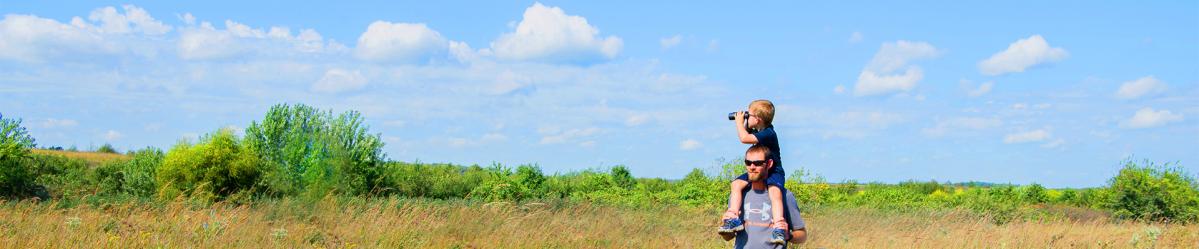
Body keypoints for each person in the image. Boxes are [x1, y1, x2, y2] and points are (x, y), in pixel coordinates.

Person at [718, 99, 790, 244]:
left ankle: (778, 227)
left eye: (748, 114)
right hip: (759, 169)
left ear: (757, 119)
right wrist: (746, 120)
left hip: (774, 170)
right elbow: (748, 131)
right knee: (736, 184)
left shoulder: (769, 133)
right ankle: (733, 217)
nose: (745, 116)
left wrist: (738, 121)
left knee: (775, 193)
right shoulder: (761, 130)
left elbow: (744, 138)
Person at [719, 144, 807, 248]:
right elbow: (729, 237)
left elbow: (802, 235)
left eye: (758, 163)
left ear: (769, 164)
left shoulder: (785, 196)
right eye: (748, 163)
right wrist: (725, 228)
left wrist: (788, 235)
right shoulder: (738, 195)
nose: (752, 167)